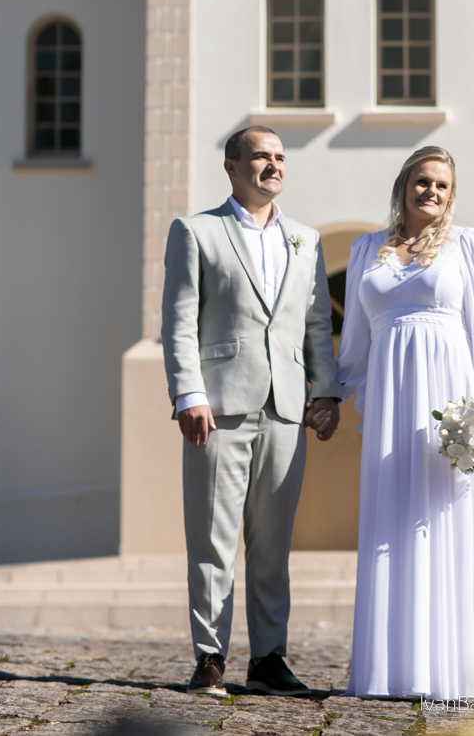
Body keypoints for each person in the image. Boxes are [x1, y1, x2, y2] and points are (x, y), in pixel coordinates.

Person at [335, 145, 474, 705]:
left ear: (451, 195)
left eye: (442, 185)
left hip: (449, 403)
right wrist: (333, 396)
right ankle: (396, 669)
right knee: (393, 520)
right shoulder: (365, 250)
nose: (431, 191)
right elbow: (355, 344)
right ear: (403, 186)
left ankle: (460, 669)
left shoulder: (467, 246)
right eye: (422, 181)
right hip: (391, 407)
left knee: (449, 521)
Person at [160, 125, 341, 697]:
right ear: (232, 166)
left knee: (273, 543)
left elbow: (316, 323)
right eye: (261, 156)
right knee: (212, 538)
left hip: (286, 408)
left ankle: (268, 659)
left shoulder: (306, 239)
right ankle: (210, 657)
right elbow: (179, 320)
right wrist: (188, 394)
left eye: (280, 156)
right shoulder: (196, 231)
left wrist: (326, 391)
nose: (273, 165)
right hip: (218, 408)